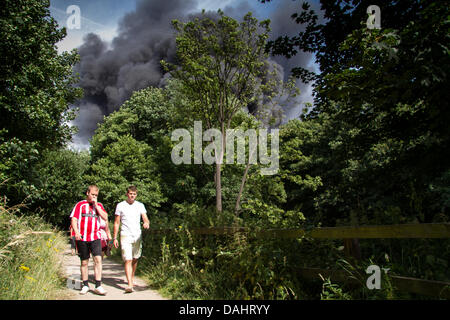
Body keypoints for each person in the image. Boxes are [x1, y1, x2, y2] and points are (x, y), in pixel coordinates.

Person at [70, 185, 108, 295]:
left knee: (98, 260)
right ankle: (85, 284)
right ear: (87, 193)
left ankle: (98, 285)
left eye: (96, 195)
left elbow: (105, 217)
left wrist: (96, 205)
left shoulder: (99, 205)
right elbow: (74, 219)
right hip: (82, 237)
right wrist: (76, 232)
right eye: (92, 194)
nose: (94, 197)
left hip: (95, 237)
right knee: (84, 261)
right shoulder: (80, 205)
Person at [113, 185, 150, 293]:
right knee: (128, 259)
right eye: (130, 194)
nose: (132, 196)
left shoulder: (140, 205)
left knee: (135, 258)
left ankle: (131, 278)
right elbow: (116, 223)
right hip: (125, 235)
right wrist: (114, 238)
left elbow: (145, 218)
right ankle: (129, 284)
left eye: (134, 194)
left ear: (136, 195)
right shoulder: (120, 205)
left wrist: (146, 223)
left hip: (137, 235)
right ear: (127, 194)